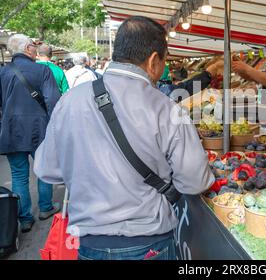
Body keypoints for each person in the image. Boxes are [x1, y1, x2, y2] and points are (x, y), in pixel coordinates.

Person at [33, 16, 215, 260]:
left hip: (88, 244)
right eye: (164, 61)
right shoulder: (167, 109)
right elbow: (195, 182)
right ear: (153, 60)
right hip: (149, 244)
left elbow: (47, 169)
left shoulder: (69, 101)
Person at [0, 34, 61, 232]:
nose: (36, 49)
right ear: (28, 48)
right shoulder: (42, 70)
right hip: (39, 129)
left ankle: (24, 218)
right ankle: (45, 208)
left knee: (18, 176)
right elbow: (53, 102)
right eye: (34, 46)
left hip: (11, 130)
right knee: (43, 169)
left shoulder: (3, 73)